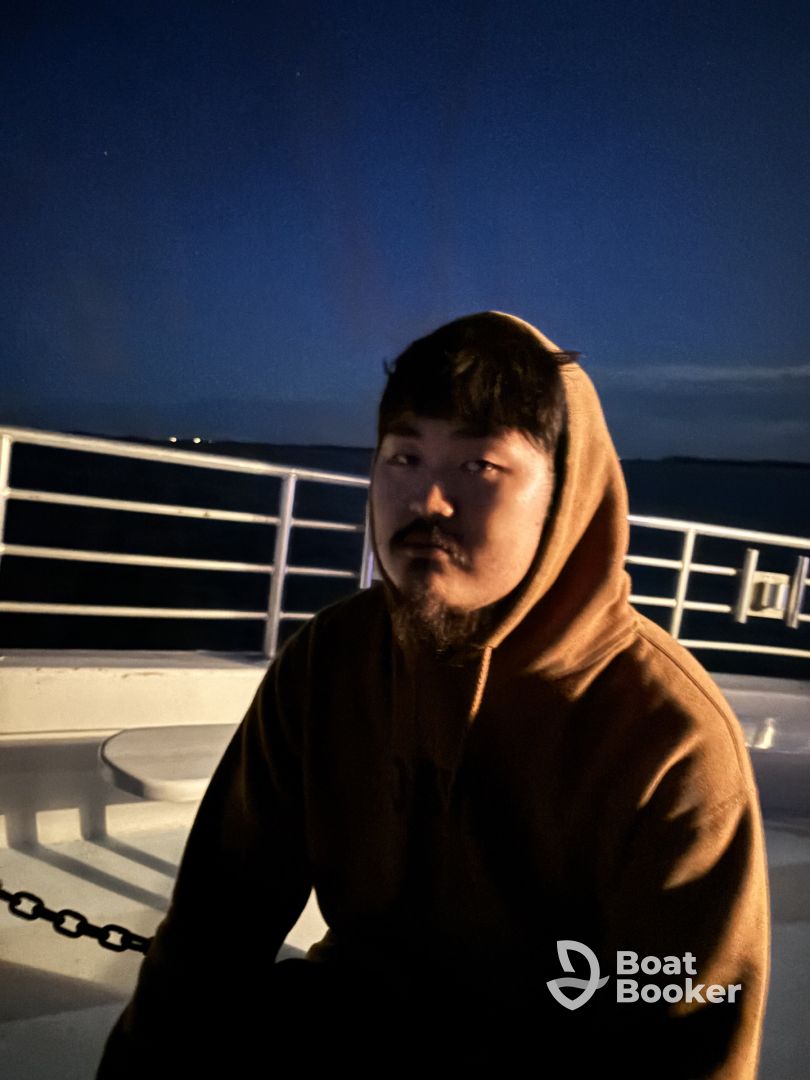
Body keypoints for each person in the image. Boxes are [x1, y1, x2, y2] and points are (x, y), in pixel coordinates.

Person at [97, 312, 770, 1077]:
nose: (428, 502)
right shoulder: (333, 658)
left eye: (479, 464)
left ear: (565, 494)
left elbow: (685, 1040)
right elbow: (219, 919)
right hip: (352, 1020)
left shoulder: (666, 733)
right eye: (405, 457)